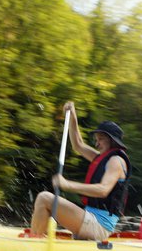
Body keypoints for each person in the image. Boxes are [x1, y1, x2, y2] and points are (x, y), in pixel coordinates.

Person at [30, 101, 131, 240]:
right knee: (44, 200)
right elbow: (78, 145)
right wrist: (73, 116)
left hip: (99, 225)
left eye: (100, 139)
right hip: (91, 218)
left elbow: (103, 190)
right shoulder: (101, 158)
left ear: (112, 141)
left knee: (44, 198)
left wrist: (67, 185)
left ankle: (33, 243)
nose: (97, 143)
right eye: (96, 139)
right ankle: (37, 237)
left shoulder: (116, 161)